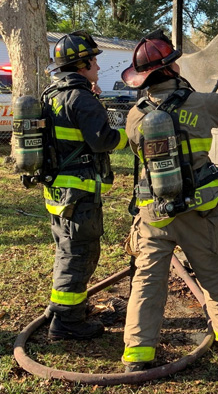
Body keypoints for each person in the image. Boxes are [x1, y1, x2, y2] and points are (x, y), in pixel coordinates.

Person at [120, 30, 218, 372]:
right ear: (170, 68)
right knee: (213, 271)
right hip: (197, 210)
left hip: (154, 211)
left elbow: (137, 149)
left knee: (147, 280)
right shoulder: (201, 103)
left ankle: (138, 353)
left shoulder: (136, 116)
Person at [43, 30, 128, 340]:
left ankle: (59, 308)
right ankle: (67, 322)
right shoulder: (80, 98)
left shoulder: (52, 94)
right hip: (79, 192)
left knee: (65, 249)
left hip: (57, 191)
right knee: (80, 254)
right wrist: (130, 135)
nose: (98, 65)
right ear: (82, 64)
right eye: (94, 60)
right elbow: (102, 141)